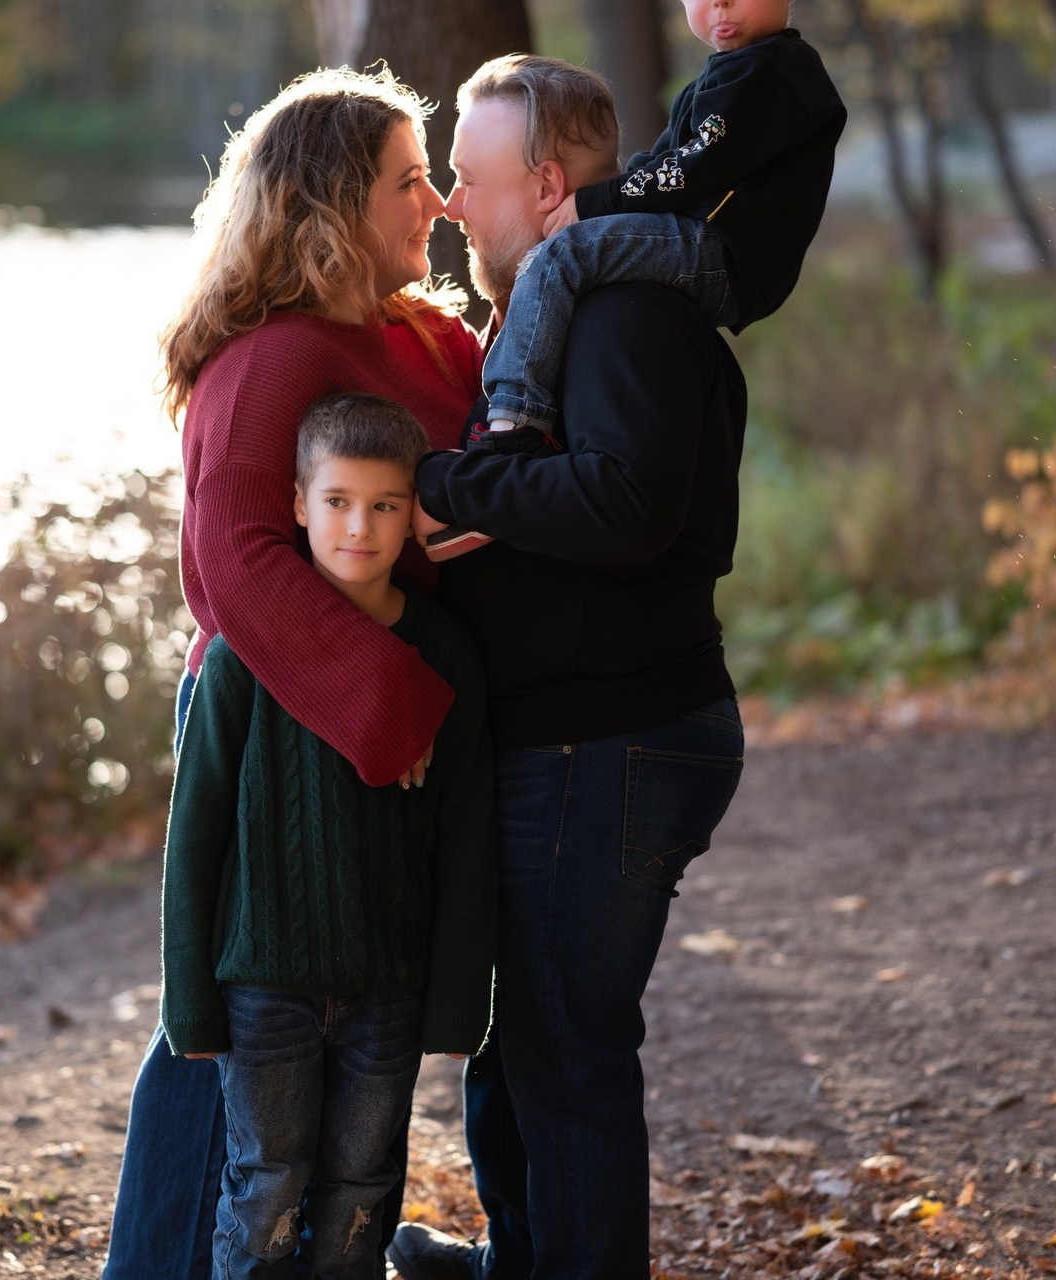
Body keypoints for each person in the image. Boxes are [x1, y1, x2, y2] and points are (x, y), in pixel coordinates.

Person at [102, 65, 484, 1280]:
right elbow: (232, 556)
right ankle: (156, 1263)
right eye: (406, 180)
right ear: (327, 202)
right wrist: (388, 703)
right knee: (223, 1017)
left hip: (397, 710)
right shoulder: (271, 357)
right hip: (278, 712)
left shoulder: (416, 329)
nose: (433, 202)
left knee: (356, 1021)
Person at [386, 55, 748, 1280]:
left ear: (545, 186)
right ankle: (521, 1260)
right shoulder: (552, 311)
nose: (446, 203)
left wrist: (434, 484)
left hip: (616, 736)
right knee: (524, 1047)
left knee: (566, 1052)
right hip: (578, 736)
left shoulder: (624, 308)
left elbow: (627, 503)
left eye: (465, 178)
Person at [160, 393, 496, 1280]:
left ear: (414, 512)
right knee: (266, 1187)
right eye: (339, 501)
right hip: (263, 987)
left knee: (362, 1189)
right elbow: (193, 834)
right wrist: (189, 998)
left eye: (386, 505)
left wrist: (461, 997)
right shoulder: (243, 656)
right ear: (299, 504)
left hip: (388, 986)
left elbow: (466, 835)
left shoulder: (446, 654)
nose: (360, 527)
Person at [423, 0, 845, 562]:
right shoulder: (730, 74)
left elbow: (688, 169)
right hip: (706, 244)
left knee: (561, 254)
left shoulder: (774, 74)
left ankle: (511, 432)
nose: (717, 3)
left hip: (725, 252)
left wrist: (594, 204)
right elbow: (668, 159)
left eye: (466, 179)